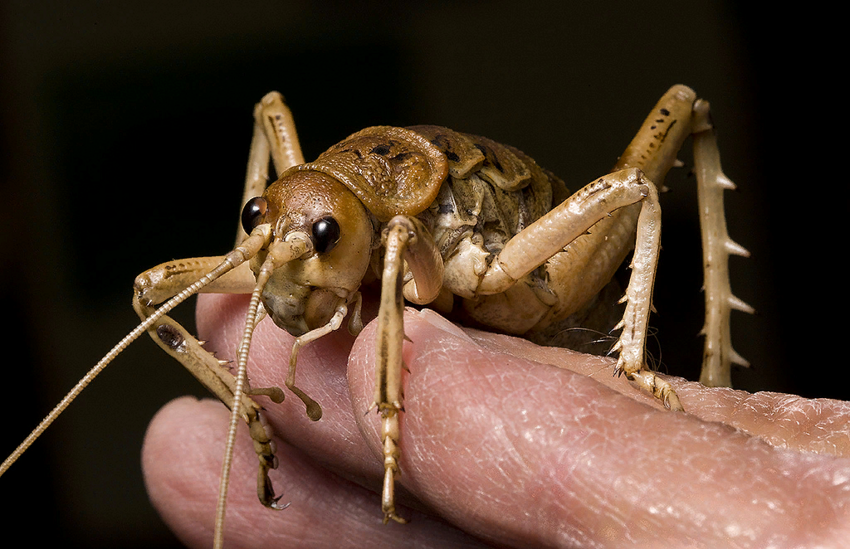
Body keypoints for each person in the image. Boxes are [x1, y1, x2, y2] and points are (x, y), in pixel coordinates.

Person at [143, 293, 850, 548]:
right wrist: (253, 411)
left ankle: (660, 362)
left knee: (653, 155)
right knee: (162, 291)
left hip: (530, 264)